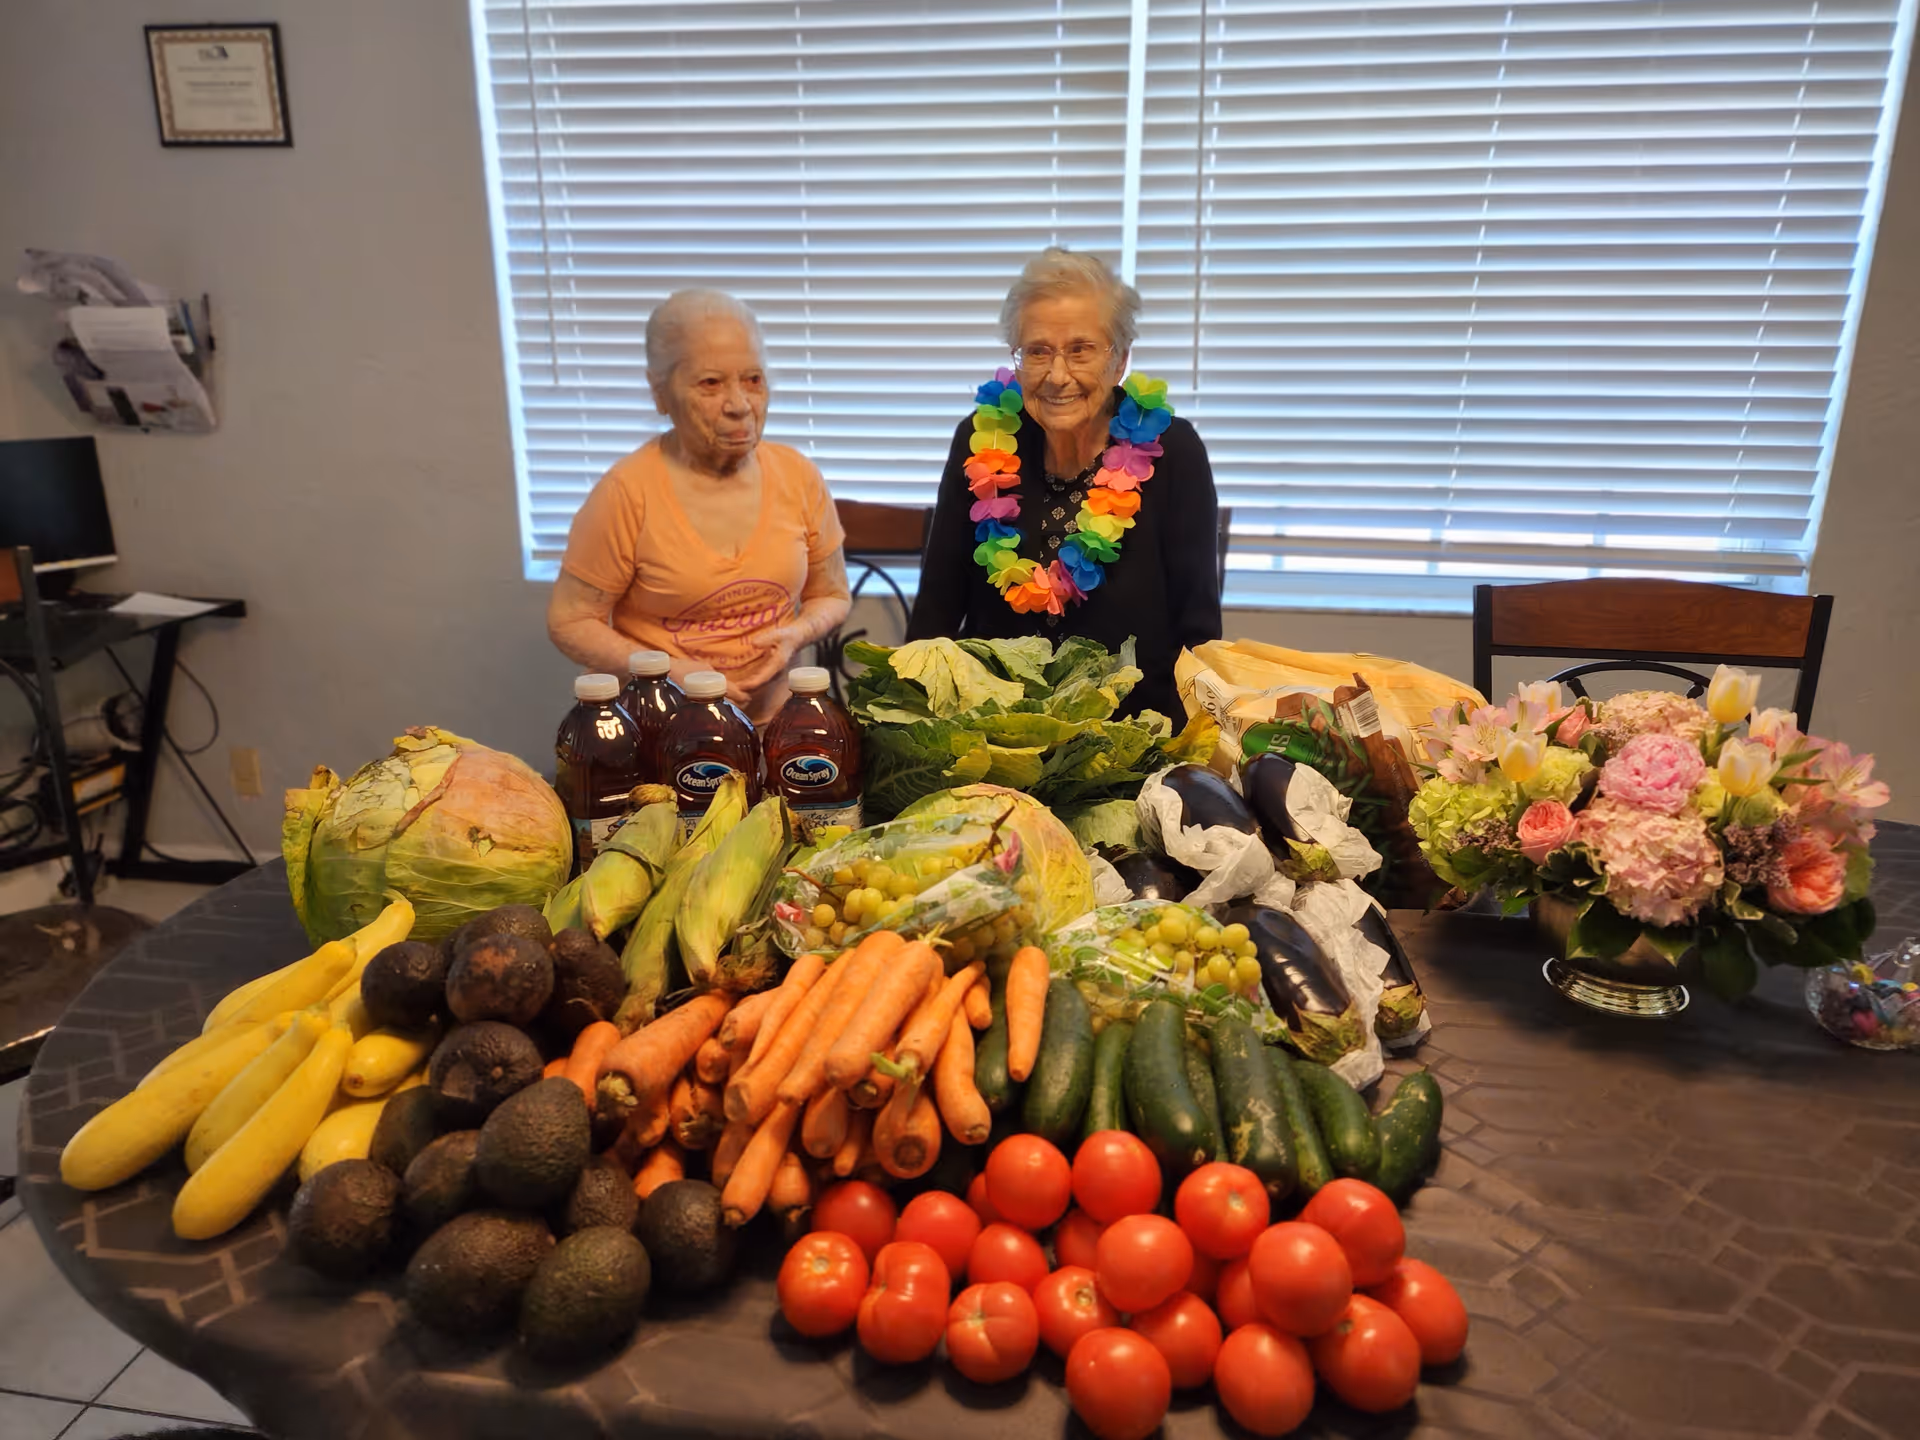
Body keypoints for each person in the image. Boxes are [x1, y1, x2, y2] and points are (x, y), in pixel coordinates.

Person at [907, 248, 1222, 719]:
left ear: (1119, 361)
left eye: (1080, 349)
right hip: (996, 732)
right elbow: (936, 610)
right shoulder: (980, 442)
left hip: (1135, 737)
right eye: (1037, 351)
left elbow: (1200, 635)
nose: (1057, 376)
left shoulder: (1175, 453)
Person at [548, 290, 851, 725]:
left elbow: (832, 594)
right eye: (710, 383)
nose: (739, 405)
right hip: (663, 731)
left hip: (775, 725)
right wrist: (673, 673)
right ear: (660, 394)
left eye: (753, 380)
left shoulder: (799, 476)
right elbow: (570, 621)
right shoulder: (627, 491)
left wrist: (796, 634)